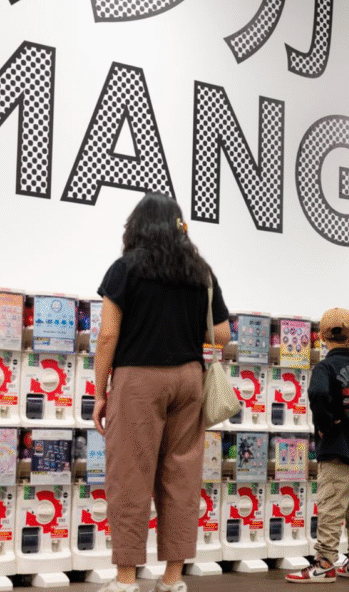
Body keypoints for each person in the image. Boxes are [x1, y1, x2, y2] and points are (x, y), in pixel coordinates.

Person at [93, 194, 231, 592]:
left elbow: (107, 335)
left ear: (136, 227)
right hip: (189, 379)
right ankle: (172, 580)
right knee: (182, 479)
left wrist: (100, 392)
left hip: (139, 380)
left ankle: (125, 580)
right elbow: (220, 333)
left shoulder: (124, 270)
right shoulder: (199, 272)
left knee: (130, 477)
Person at [286, 308, 349, 583]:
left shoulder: (324, 367)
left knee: (331, 508)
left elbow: (318, 392)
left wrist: (324, 424)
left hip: (336, 451)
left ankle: (324, 564)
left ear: (320, 336)